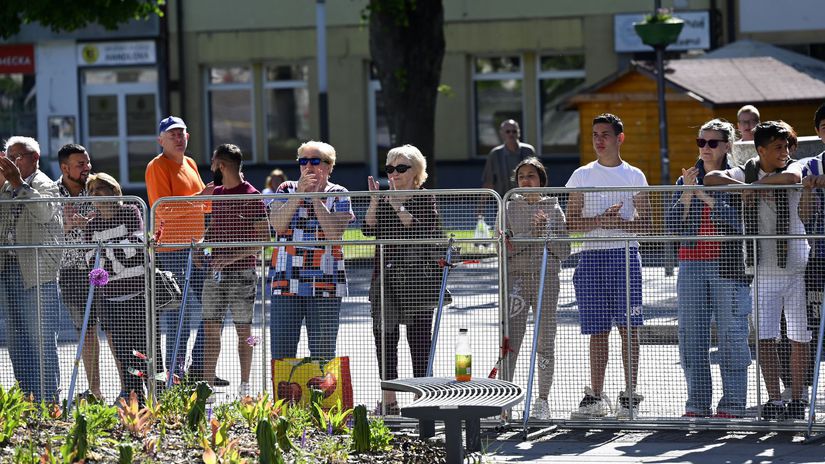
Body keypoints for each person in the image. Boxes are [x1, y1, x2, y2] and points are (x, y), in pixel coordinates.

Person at [705, 121, 809, 420]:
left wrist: (756, 189)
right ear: (761, 149)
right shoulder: (747, 170)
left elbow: (791, 177)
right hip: (761, 268)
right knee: (766, 337)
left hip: (796, 265)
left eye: (788, 146)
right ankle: (774, 400)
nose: (785, 151)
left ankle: (799, 398)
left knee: (799, 336)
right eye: (778, 147)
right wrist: (747, 188)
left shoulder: (793, 166)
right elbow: (712, 178)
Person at [565, 113, 651, 419]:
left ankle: (629, 396)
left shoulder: (634, 175)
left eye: (605, 134)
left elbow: (648, 223)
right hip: (591, 258)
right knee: (598, 330)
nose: (599, 141)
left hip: (625, 256)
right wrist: (600, 220)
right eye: (595, 135)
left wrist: (623, 222)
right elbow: (570, 222)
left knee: (629, 328)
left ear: (619, 138)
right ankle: (596, 396)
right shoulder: (581, 175)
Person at [666, 119, 752, 418]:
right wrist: (688, 194)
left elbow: (740, 223)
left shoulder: (738, 177)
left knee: (731, 335)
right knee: (691, 336)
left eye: (712, 143)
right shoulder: (685, 179)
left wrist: (704, 195)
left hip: (728, 265)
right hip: (691, 264)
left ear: (727, 145)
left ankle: (733, 403)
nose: (705, 148)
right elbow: (672, 227)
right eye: (701, 142)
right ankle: (697, 402)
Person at [363, 144, 442, 414]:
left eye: (401, 168)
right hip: (384, 280)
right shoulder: (384, 198)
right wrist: (375, 201)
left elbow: (424, 230)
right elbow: (367, 228)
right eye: (389, 168)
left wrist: (398, 206)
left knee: (420, 342)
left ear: (416, 172)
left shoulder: (424, 197)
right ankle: (390, 402)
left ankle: (423, 403)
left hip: (417, 280)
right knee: (384, 340)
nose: (393, 174)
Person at [268, 141, 354, 363]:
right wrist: (299, 194)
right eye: (303, 161)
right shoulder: (286, 189)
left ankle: (320, 398)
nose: (308, 166)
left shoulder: (339, 193)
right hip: (286, 283)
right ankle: (285, 399)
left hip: (325, 283)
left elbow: (334, 233)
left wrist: (316, 198)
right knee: (282, 355)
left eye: (315, 161)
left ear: (329, 166)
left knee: (322, 355)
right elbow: (277, 224)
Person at [145, 116, 214, 385]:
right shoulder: (156, 166)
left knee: (213, 308)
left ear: (188, 137)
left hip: (195, 250)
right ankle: (174, 375)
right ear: (160, 140)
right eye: (171, 134)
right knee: (179, 318)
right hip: (172, 249)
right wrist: (200, 199)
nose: (177, 138)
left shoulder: (191, 163)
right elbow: (163, 208)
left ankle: (195, 367)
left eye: (181, 133)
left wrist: (214, 198)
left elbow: (201, 206)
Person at [504, 157, 569, 420]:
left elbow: (564, 251)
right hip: (516, 280)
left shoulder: (554, 209)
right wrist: (532, 233)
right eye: (521, 177)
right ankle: (505, 400)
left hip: (547, 279)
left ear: (541, 180)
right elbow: (505, 249)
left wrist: (547, 234)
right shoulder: (508, 207)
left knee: (545, 340)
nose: (526, 181)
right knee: (510, 341)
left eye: (531, 175)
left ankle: (542, 399)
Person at [85, 173, 159, 402]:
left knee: (147, 348)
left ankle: (158, 393)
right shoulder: (91, 225)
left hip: (138, 294)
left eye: (101, 188)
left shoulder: (130, 211)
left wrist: (108, 254)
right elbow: (92, 264)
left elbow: (136, 249)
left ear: (114, 191)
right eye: (92, 190)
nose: (96, 193)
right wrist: (116, 254)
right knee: (126, 351)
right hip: (112, 298)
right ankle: (135, 394)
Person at [200, 144, 268, 397]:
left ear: (222, 165)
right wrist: (202, 245)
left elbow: (263, 241)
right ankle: (205, 385)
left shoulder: (251, 194)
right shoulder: (217, 193)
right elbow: (216, 225)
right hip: (215, 272)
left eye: (212, 163)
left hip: (242, 274)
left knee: (244, 331)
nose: (211, 168)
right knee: (210, 329)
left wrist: (231, 257)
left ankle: (245, 385)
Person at [0, 136, 62, 401]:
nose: (13, 161)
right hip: (8, 270)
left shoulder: (45, 183)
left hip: (37, 273)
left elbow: (45, 213)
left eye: (18, 156)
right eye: (9, 156)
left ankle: (49, 401)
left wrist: (17, 183)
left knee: (41, 341)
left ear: (35, 158)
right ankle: (28, 398)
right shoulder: (5, 187)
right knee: (17, 341)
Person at [55, 143, 113, 400]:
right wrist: (65, 228)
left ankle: (129, 387)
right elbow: (46, 233)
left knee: (115, 328)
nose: (87, 168)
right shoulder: (51, 192)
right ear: (64, 167)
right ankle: (96, 391)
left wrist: (93, 221)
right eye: (80, 164)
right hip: (70, 272)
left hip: (103, 268)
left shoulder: (99, 188)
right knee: (87, 332)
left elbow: (117, 216)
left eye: (87, 162)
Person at [792, 103, 825, 410]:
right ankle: (805, 397)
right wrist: (807, 191)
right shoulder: (809, 166)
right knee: (814, 328)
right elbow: (803, 216)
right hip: (819, 258)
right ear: (817, 132)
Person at [481, 119, 536, 198]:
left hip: (526, 199)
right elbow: (489, 182)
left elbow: (537, 177)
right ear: (502, 134)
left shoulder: (528, 151)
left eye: (514, 131)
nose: (511, 134)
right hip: (503, 200)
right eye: (508, 131)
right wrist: (480, 208)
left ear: (519, 133)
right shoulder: (495, 154)